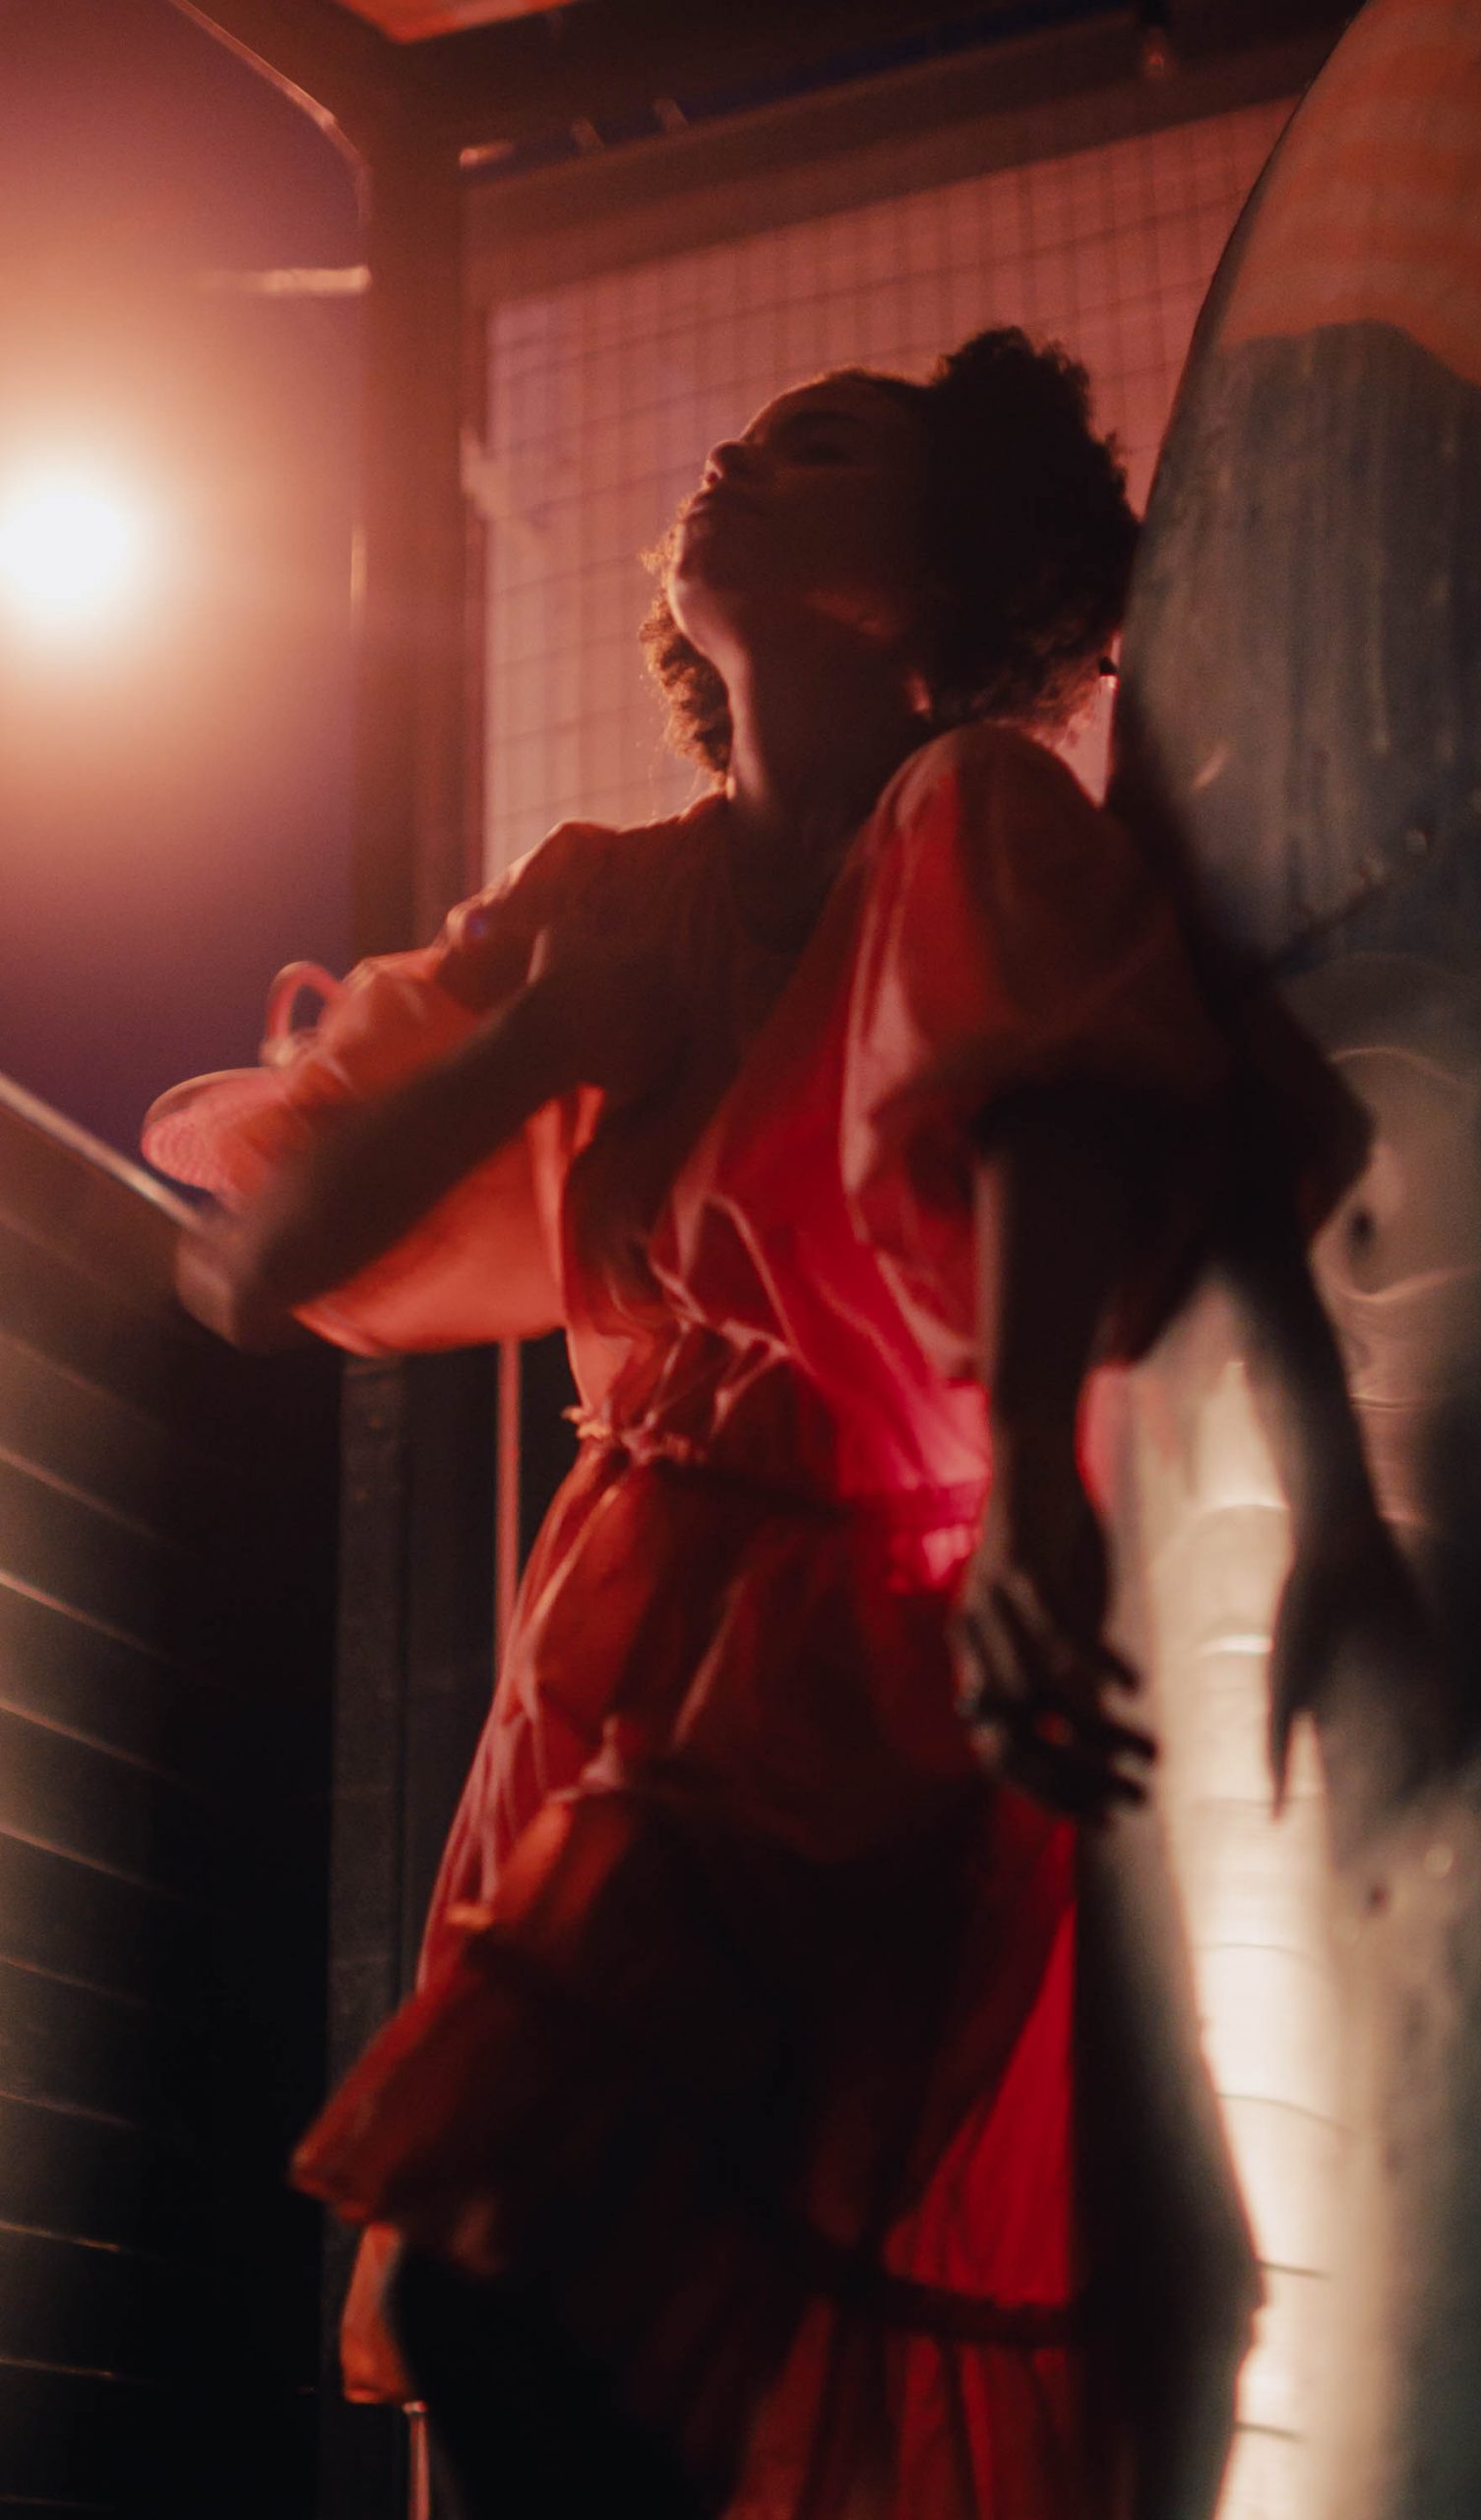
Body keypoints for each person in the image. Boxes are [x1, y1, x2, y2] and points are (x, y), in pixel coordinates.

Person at [146, 329, 1354, 2519]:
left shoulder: (973, 808)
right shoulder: (609, 898)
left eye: (827, 446)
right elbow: (252, 1270)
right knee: (551, 2320)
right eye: (757, 432)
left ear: (940, 579)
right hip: (602, 1655)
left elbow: (1059, 1113)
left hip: (848, 1649)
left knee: (514, 2280)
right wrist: (534, 1046)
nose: (738, 452)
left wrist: (1036, 1512)